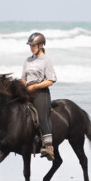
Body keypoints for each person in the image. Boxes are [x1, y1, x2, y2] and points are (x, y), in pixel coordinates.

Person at [22, 32, 57, 160]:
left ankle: (49, 147)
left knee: (42, 117)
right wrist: (20, 87)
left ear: (41, 45)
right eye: (30, 45)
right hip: (27, 91)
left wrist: (35, 86)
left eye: (34, 45)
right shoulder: (27, 60)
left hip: (41, 92)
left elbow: (51, 80)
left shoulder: (46, 61)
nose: (32, 47)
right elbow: (23, 79)